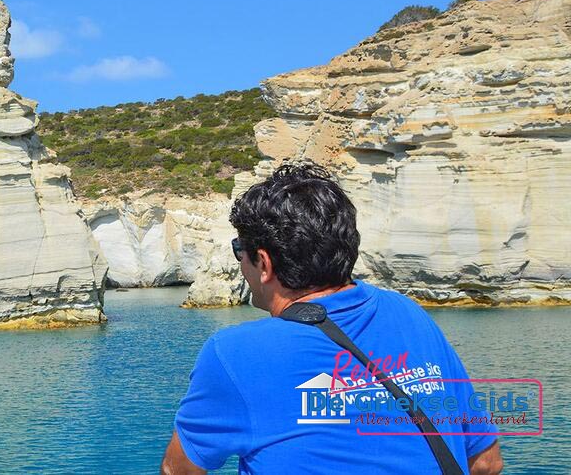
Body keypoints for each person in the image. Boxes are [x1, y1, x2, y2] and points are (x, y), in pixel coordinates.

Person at [161, 161, 504, 475]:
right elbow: (486, 462)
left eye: (240, 250)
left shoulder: (234, 353)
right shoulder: (409, 313)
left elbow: (179, 471)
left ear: (263, 263)